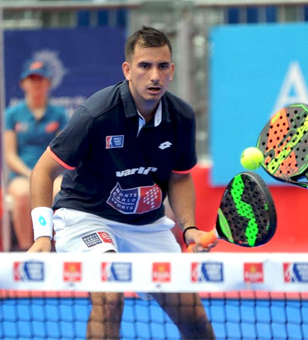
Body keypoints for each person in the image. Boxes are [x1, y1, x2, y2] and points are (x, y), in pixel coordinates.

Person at [27, 26, 216, 339]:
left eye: (162, 66)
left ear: (172, 70)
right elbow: (43, 171)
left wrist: (190, 228)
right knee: (109, 294)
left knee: (192, 314)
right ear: (128, 70)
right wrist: (42, 235)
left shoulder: (181, 116)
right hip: (86, 216)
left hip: (147, 224)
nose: (154, 75)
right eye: (145, 66)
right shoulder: (97, 113)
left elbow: (180, 177)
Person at [4, 59, 67, 251]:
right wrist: (31, 173)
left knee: (61, 192)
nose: (36, 84)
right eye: (31, 79)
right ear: (23, 84)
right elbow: (10, 155)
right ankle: (26, 249)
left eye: (40, 79)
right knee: (22, 195)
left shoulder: (59, 114)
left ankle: (56, 247)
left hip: (52, 173)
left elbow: (63, 150)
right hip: (22, 174)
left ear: (48, 83)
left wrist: (46, 173)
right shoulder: (12, 114)